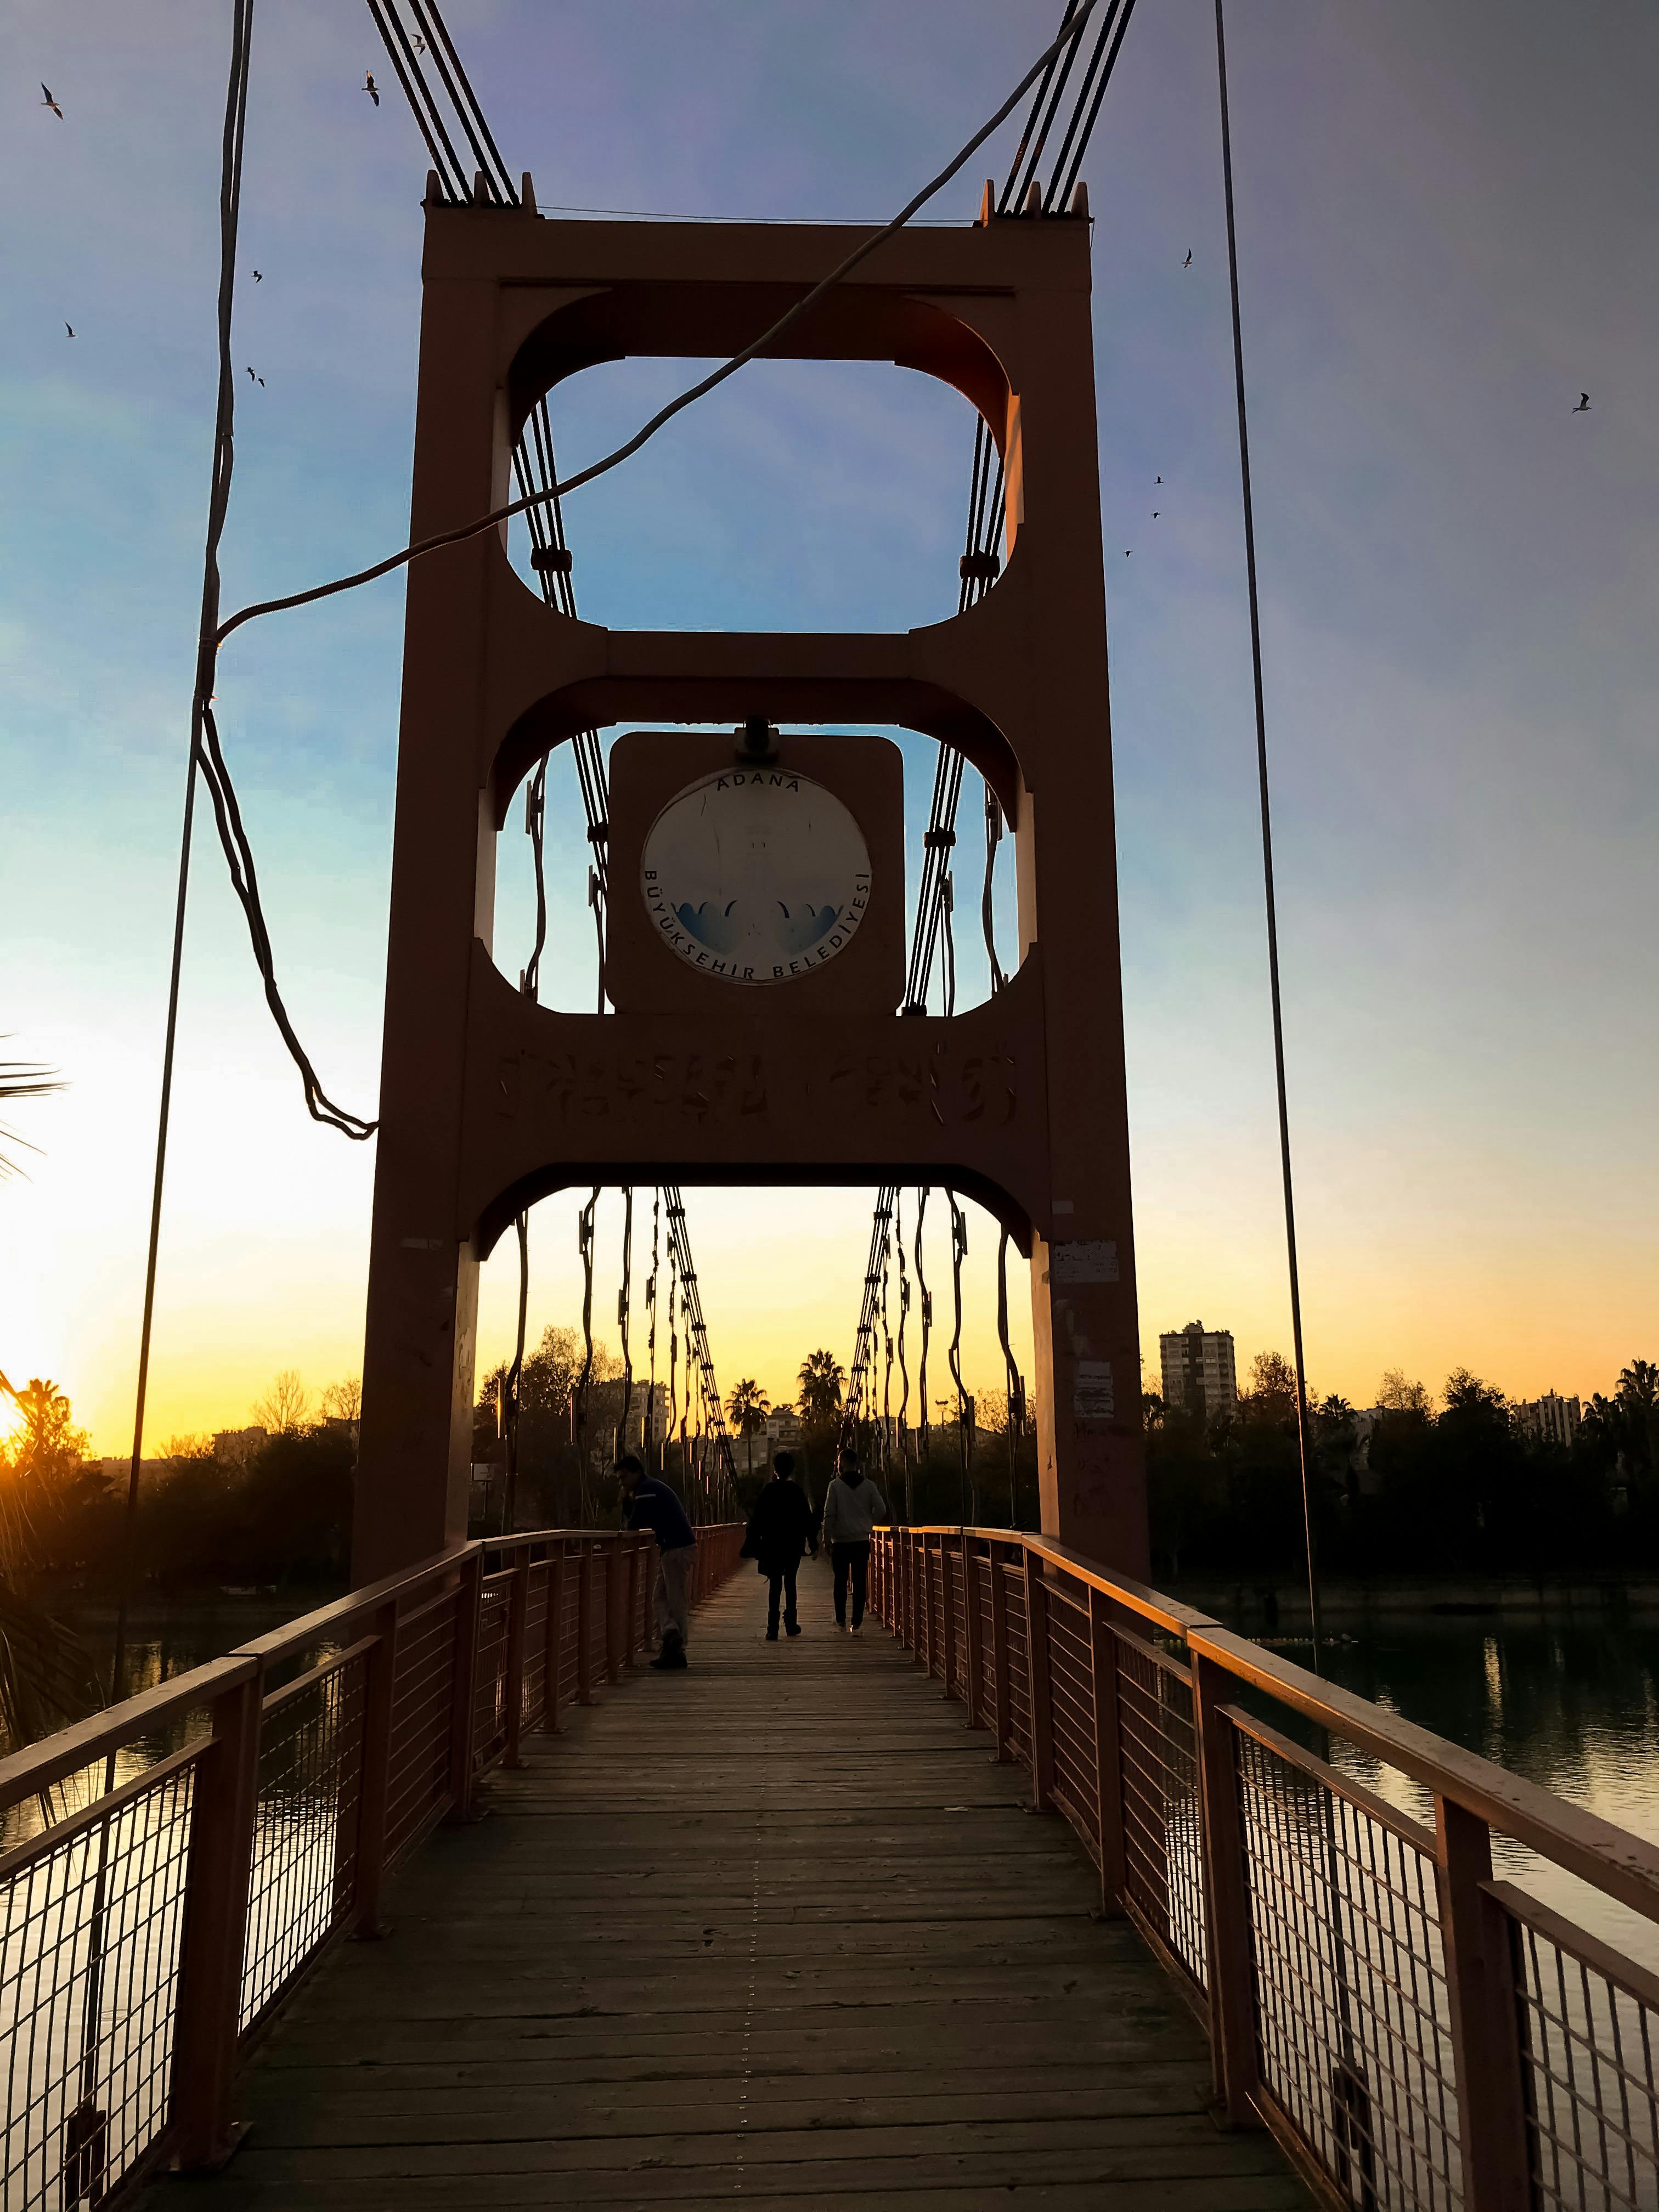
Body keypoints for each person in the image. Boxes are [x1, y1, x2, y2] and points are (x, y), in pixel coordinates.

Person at [616, 1453, 697, 1671]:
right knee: (660, 1599)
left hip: (676, 1549)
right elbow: (637, 1518)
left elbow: (633, 1523)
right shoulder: (650, 1488)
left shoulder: (647, 1490)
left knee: (675, 1600)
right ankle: (671, 1638)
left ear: (636, 1473)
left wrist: (626, 1499)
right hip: (673, 1548)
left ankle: (677, 1649)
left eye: (624, 1478)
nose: (622, 1483)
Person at [740, 1449, 816, 1640]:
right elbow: (808, 1520)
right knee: (791, 1583)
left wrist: (751, 1542)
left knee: (775, 1585)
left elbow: (757, 1519)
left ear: (775, 1470)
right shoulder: (798, 1492)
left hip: (772, 1545)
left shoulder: (768, 1491)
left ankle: (772, 1628)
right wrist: (813, 1543)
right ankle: (791, 1625)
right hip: (793, 1545)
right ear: (792, 1469)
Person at [820, 1446, 889, 1635]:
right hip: (861, 1540)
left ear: (841, 1464)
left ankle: (841, 1622)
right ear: (856, 1464)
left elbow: (829, 1514)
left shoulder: (834, 1486)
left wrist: (826, 1538)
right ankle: (857, 1624)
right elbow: (882, 1509)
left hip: (841, 1541)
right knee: (859, 1582)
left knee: (840, 1581)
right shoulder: (869, 1485)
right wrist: (869, 1523)